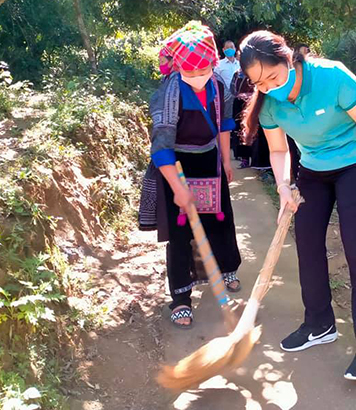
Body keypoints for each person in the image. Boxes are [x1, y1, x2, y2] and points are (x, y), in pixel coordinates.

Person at [239, 30, 356, 380]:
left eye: (273, 77)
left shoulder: (332, 76)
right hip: (313, 172)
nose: (269, 88)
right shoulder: (270, 103)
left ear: (287, 59)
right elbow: (278, 151)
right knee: (307, 246)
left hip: (353, 167)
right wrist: (283, 187)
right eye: (259, 84)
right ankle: (320, 324)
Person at [149, 21, 242, 329]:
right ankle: (181, 298)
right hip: (176, 164)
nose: (197, 78)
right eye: (190, 73)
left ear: (213, 65)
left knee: (220, 219)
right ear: (179, 69)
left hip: (210, 160)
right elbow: (161, 148)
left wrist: (226, 160)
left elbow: (225, 124)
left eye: (202, 72)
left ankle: (227, 267)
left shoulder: (218, 85)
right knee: (180, 234)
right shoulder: (170, 92)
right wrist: (177, 187)